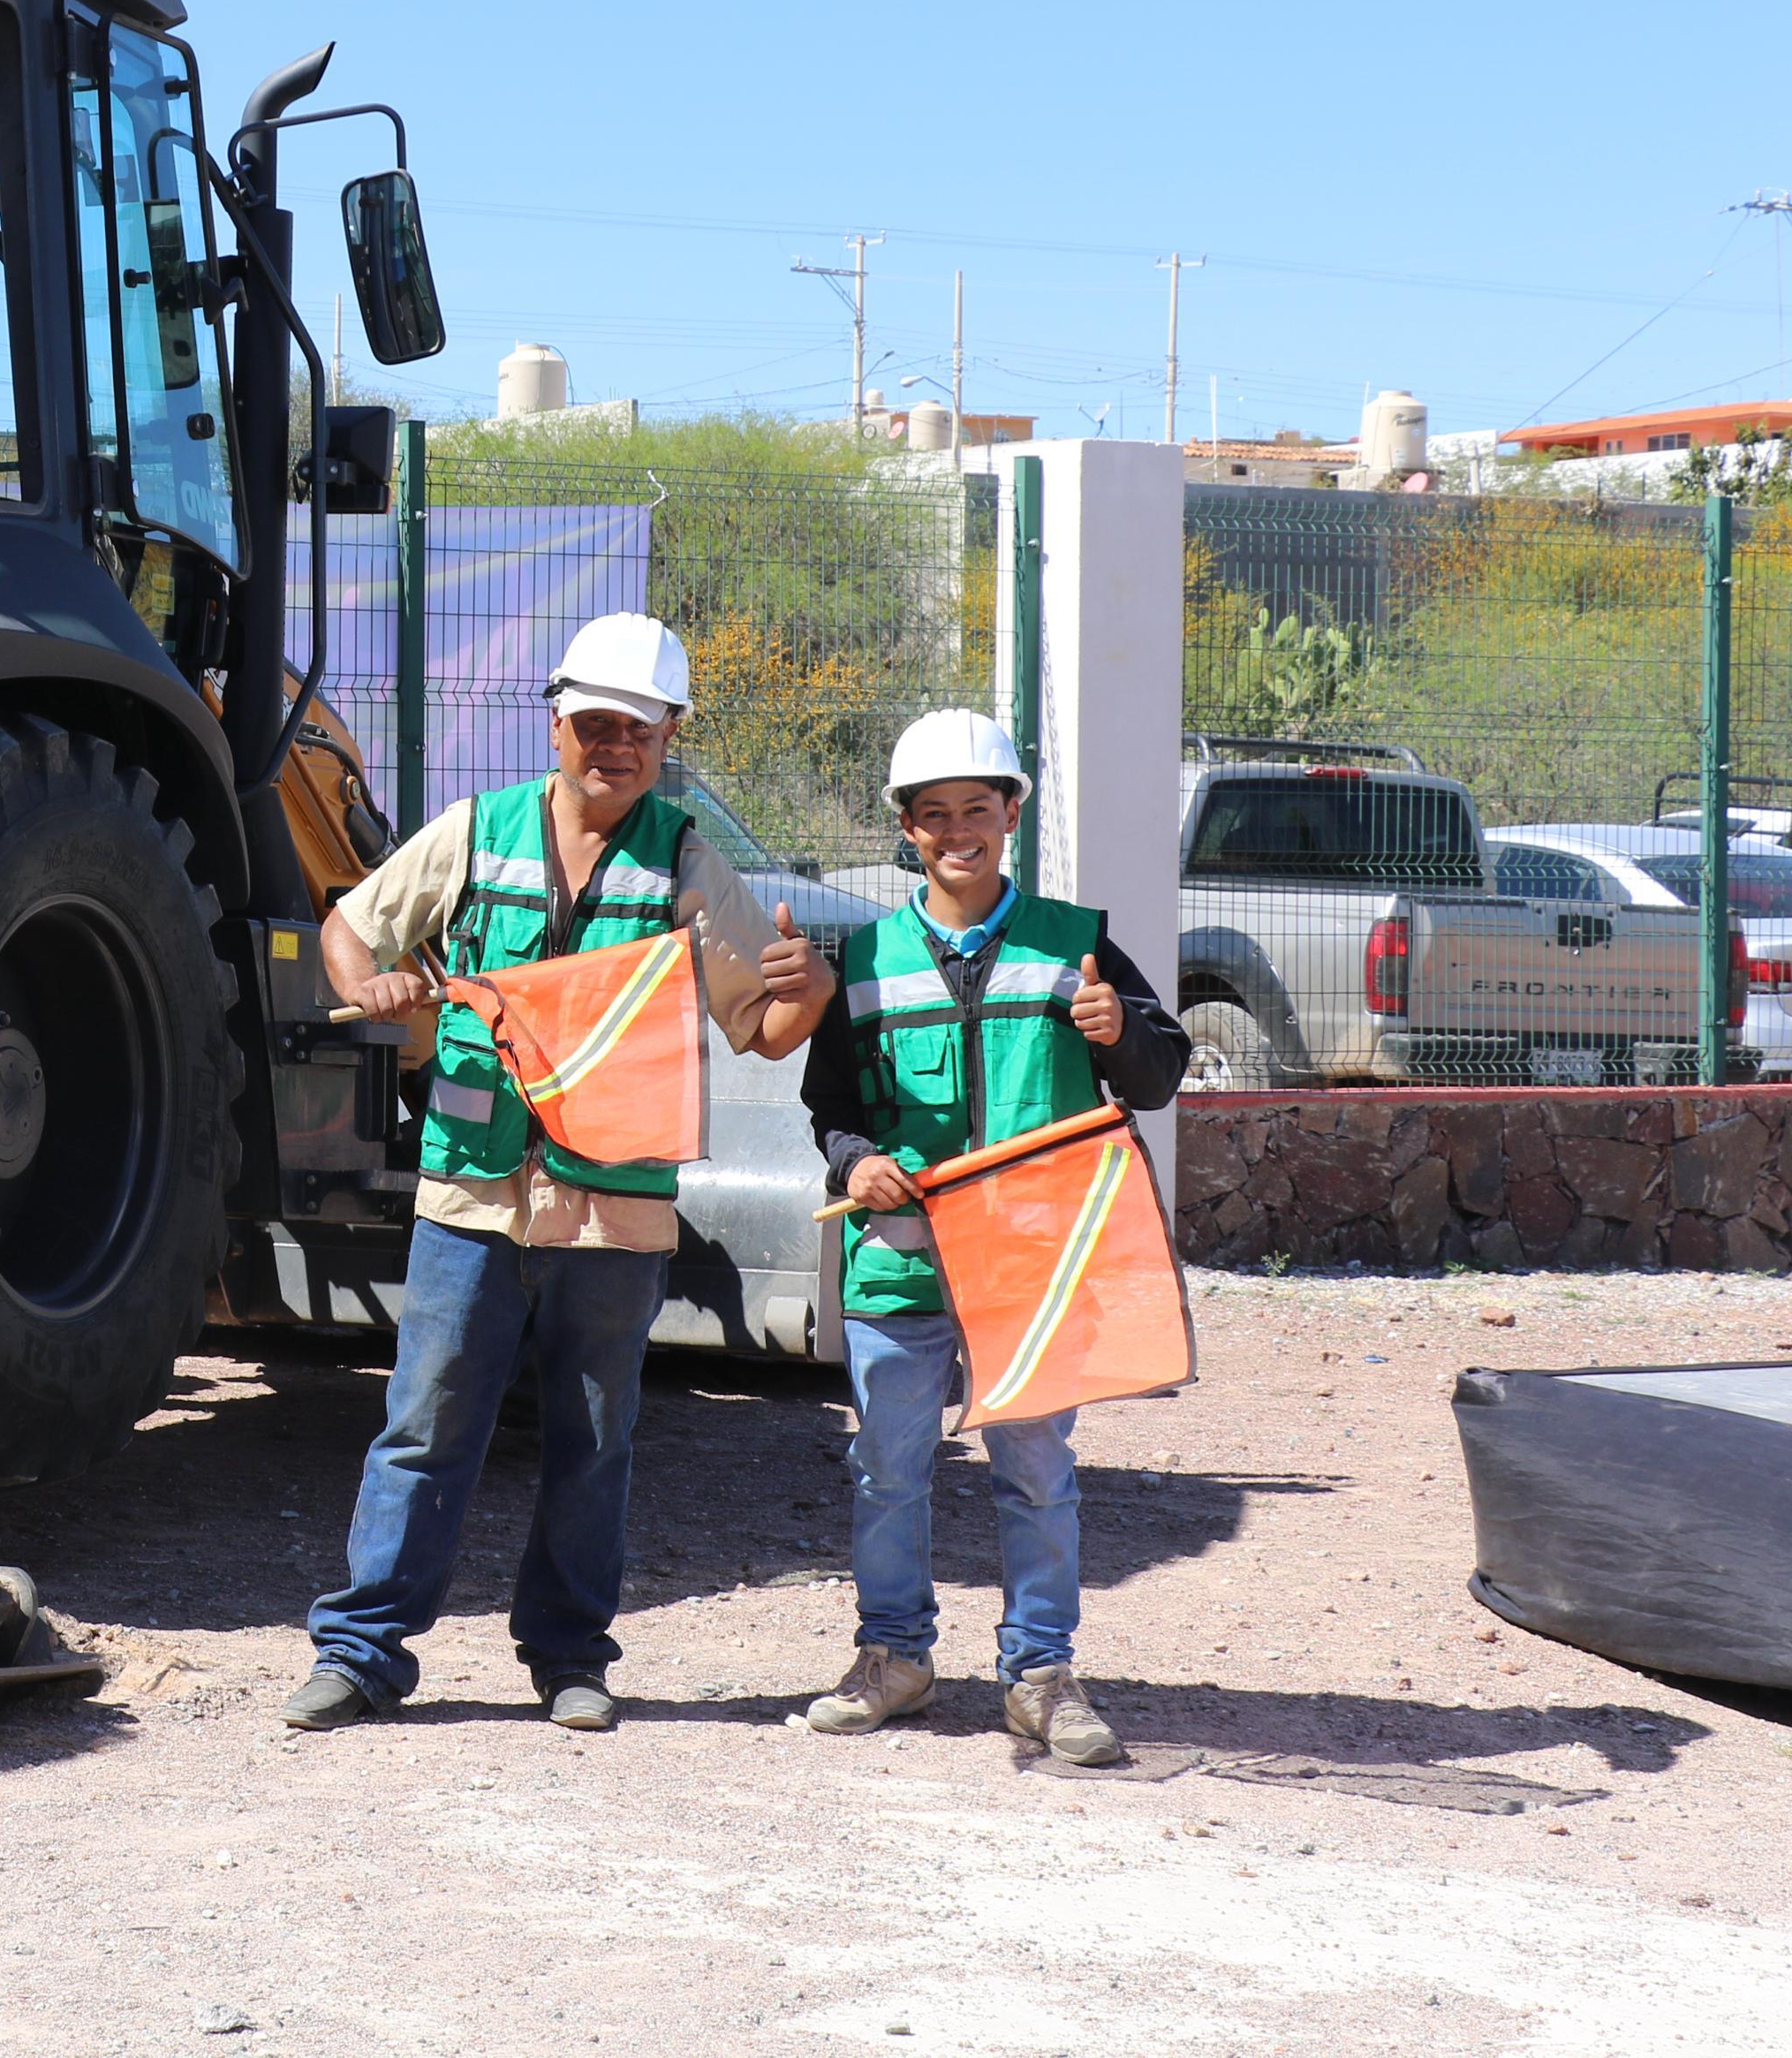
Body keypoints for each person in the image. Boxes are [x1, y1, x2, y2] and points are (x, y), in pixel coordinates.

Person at [285, 613, 831, 1733]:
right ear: (554, 723)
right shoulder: (475, 832)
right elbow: (347, 931)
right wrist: (378, 986)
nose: (613, 744)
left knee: (595, 1439)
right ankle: (360, 1653)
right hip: (472, 1194)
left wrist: (807, 985)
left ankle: (571, 1658)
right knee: (425, 1425)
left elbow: (761, 1029)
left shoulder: (685, 860)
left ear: (667, 733)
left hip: (614, 1211)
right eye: (593, 722)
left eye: (636, 727)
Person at [798, 707, 1188, 1766]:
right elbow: (829, 1102)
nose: (956, 830)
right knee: (887, 1466)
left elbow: (1155, 1076)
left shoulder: (1075, 944)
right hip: (899, 1258)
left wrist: (1123, 1035)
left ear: (1010, 813)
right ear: (907, 829)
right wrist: (851, 1161)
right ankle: (894, 1657)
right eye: (934, 815)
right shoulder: (864, 957)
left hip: (1034, 1268)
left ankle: (1039, 1675)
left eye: (977, 808)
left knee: (1035, 1471)